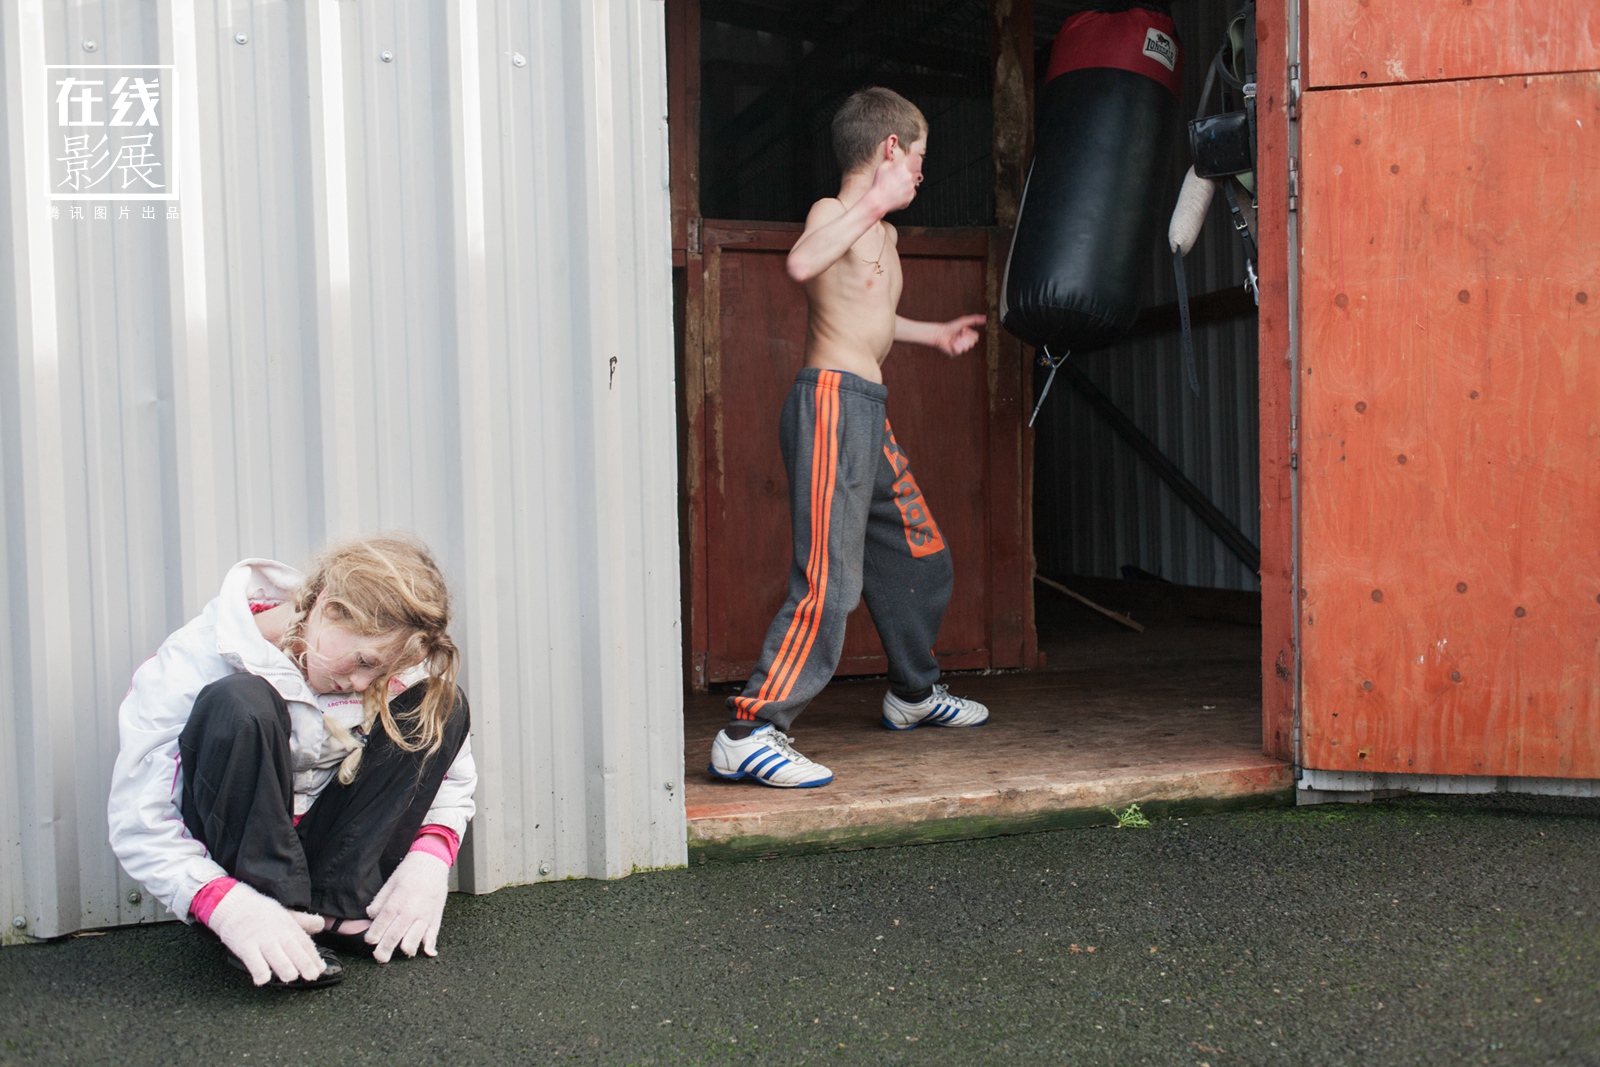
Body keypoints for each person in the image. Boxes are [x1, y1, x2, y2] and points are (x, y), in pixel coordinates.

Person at [710, 87, 991, 789]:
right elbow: (803, 264)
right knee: (830, 582)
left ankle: (913, 693)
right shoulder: (836, 213)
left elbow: (873, 316)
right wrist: (874, 201)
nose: (923, 174)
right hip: (831, 403)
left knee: (920, 554)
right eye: (919, 157)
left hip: (869, 407)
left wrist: (934, 333)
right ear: (890, 149)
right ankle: (750, 730)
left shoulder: (886, 235)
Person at [108, 535, 475, 988]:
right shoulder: (193, 659)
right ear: (328, 605)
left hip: (331, 850)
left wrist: (429, 860)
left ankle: (340, 905)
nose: (363, 684)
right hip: (239, 868)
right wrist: (227, 905)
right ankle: (272, 915)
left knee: (441, 703)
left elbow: (450, 776)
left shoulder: (391, 651)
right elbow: (140, 818)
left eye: (378, 673)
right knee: (239, 703)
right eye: (362, 661)